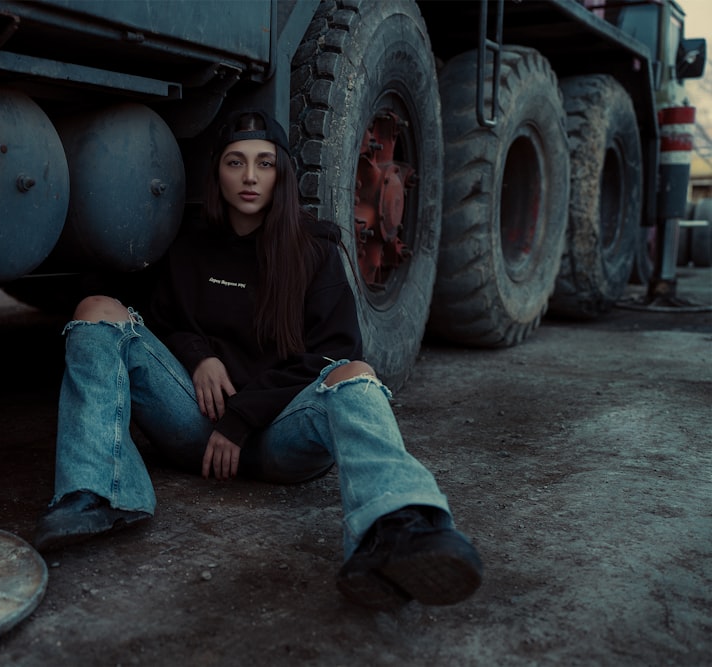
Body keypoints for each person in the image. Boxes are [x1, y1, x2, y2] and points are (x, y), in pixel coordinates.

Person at [34, 109, 483, 611]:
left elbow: (332, 352)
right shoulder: (188, 244)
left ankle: (396, 529)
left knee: (355, 374)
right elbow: (163, 323)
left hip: (279, 439)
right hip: (197, 426)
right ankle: (97, 492)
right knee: (96, 311)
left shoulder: (315, 249)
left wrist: (242, 419)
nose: (249, 177)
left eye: (265, 164)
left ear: (282, 174)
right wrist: (200, 357)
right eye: (235, 162)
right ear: (217, 172)